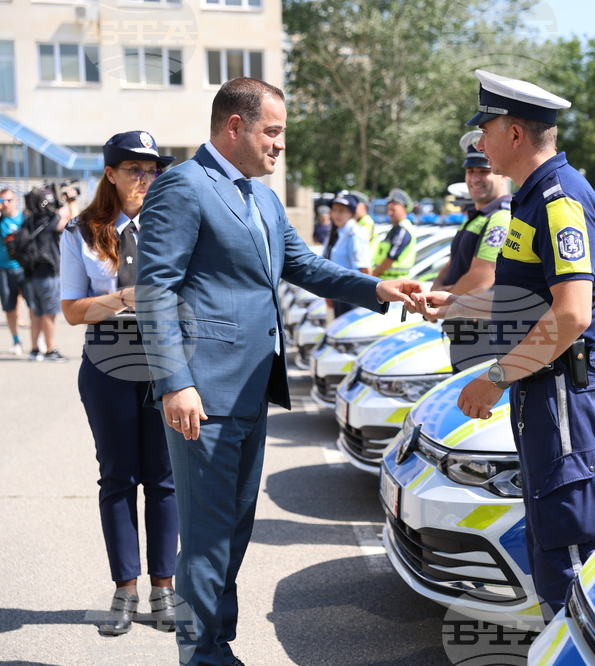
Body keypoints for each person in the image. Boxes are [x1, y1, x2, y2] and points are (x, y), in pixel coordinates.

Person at [135, 77, 422, 666]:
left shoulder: (263, 198)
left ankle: (217, 643)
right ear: (233, 126)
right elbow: (154, 290)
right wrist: (174, 381)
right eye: (273, 131)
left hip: (250, 389)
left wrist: (379, 288)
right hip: (201, 393)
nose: (280, 145)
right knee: (208, 539)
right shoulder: (184, 188)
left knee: (234, 530)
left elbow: (304, 265)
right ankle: (202, 656)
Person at [414, 69, 595, 619]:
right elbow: (529, 298)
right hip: (544, 385)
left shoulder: (556, 200)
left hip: (560, 388)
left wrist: (495, 376)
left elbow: (571, 315)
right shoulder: (532, 199)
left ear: (516, 135)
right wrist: (455, 304)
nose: (479, 144)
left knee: (567, 543)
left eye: (487, 130)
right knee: (549, 534)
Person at [60, 131, 179, 637]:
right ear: (110, 173)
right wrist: (127, 297)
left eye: (152, 171)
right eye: (135, 170)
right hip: (107, 362)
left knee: (165, 478)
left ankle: (165, 588)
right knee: (117, 477)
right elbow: (71, 311)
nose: (145, 180)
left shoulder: (172, 225)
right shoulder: (82, 231)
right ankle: (125, 589)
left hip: (164, 361)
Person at [429, 130, 511, 371]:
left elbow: (482, 278)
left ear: (501, 173)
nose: (475, 178)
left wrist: (441, 303)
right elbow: (453, 262)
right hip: (464, 329)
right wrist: (436, 290)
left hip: (481, 335)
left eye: (483, 171)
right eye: (470, 171)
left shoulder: (500, 218)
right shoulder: (478, 216)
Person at [20, 185, 69, 361]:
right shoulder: (52, 221)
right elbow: (74, 223)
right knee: (50, 313)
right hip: (48, 274)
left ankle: (34, 350)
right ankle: (50, 350)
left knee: (36, 313)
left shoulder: (30, 220)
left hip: (31, 273)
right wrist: (70, 201)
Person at [327, 191, 373, 317]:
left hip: (352, 295)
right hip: (340, 293)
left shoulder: (354, 234)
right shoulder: (339, 233)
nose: (337, 214)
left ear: (352, 213)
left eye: (341, 210)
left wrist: (367, 299)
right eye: (334, 210)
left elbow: (365, 269)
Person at [1, 189, 31, 354]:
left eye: (9, 200)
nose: (5, 204)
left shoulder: (26, 218)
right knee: (9, 307)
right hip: (5, 268)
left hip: (25, 268)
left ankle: (37, 339)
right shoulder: (0, 220)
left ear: (16, 201)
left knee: (33, 306)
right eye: (2, 201)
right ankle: (16, 341)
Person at [371, 188, 416, 278]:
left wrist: (373, 275)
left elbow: (391, 258)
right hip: (387, 279)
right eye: (388, 209)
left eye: (393, 210)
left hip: (395, 281)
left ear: (404, 210)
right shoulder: (396, 228)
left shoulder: (403, 230)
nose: (389, 213)